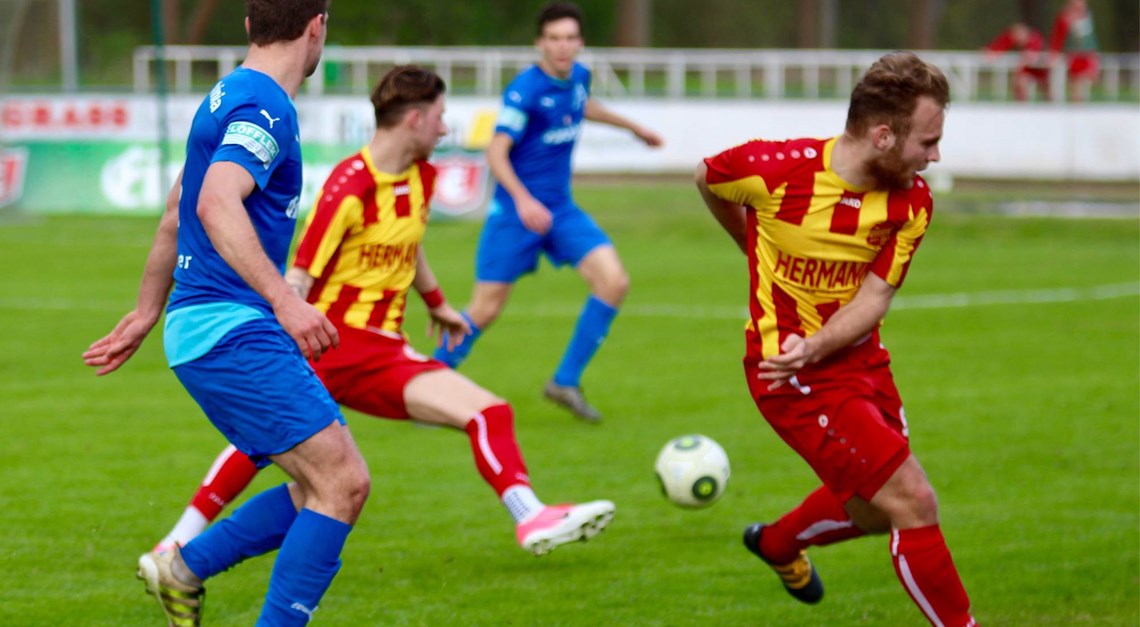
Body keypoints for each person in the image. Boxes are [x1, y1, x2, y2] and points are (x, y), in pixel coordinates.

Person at [149, 65, 616, 563]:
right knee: (261, 444)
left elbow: (408, 248)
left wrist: (439, 305)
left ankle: (530, 516)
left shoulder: (422, 176)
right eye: (439, 116)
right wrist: (276, 328)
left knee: (489, 412)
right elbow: (301, 275)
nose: (444, 128)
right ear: (415, 118)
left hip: (382, 351)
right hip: (329, 342)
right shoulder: (348, 187)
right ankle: (178, 542)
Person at [83, 2, 371, 625]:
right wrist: (285, 298)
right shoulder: (264, 106)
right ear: (317, 25)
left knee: (316, 487)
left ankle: (183, 568)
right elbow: (214, 201)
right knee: (342, 483)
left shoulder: (224, 96)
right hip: (231, 329)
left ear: (249, 26)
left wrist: (145, 312)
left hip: (206, 326)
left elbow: (173, 214)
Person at [695, 52, 979, 626]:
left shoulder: (912, 202)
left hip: (859, 363)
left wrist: (820, 342)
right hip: (788, 375)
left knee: (875, 512)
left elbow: (875, 298)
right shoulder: (775, 171)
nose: (936, 155)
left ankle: (777, 542)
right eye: (927, 141)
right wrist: (753, 246)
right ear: (882, 135)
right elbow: (707, 178)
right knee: (913, 500)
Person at [432, 1, 663, 423]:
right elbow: (496, 152)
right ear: (540, 43)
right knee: (484, 310)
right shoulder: (526, 90)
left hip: (560, 210)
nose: (563, 46)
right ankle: (427, 384)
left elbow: (583, 104)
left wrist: (633, 128)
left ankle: (564, 382)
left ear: (580, 42)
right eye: (554, 38)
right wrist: (524, 200)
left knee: (614, 281)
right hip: (516, 213)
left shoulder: (579, 77)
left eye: (570, 38)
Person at [982, 22, 1049, 101]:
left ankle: (1051, 107)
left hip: (1042, 68)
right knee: (1019, 82)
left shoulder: (1035, 39)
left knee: (1045, 87)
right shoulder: (1019, 38)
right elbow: (1003, 43)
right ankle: (1021, 107)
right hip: (1027, 68)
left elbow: (1030, 57)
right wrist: (992, 51)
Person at [1048, 0, 1100, 102]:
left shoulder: (1088, 14)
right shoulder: (1065, 16)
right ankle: (1076, 105)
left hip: (1088, 54)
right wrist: (1054, 53)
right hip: (1074, 54)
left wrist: (1094, 55)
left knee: (1088, 80)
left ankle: (1079, 103)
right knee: (1076, 82)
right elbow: (1057, 36)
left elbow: (1091, 38)